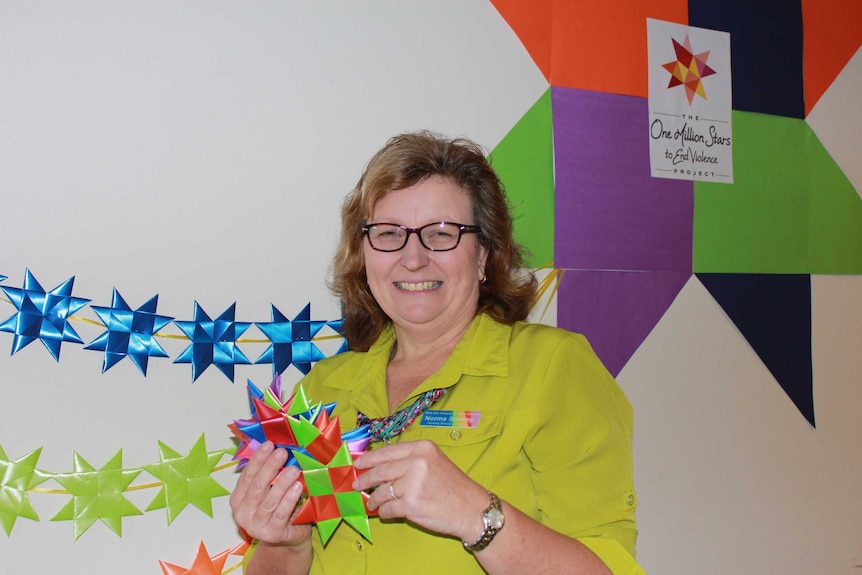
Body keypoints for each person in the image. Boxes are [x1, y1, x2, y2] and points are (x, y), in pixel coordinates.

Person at [230, 131, 646, 574]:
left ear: (484, 254)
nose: (413, 258)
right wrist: (284, 544)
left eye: (441, 233)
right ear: (364, 254)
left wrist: (476, 516)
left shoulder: (554, 367)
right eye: (389, 234)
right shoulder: (322, 386)